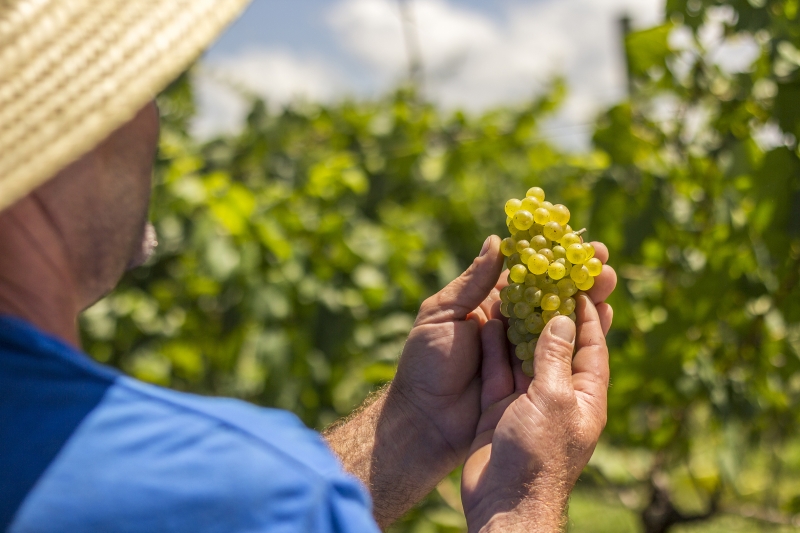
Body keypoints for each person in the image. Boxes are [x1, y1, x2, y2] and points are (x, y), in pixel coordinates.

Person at [0, 1, 617, 531]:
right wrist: (522, 502)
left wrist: (414, 427)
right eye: (140, 92)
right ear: (65, 132)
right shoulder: (250, 492)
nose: (154, 122)